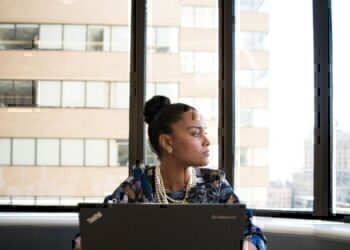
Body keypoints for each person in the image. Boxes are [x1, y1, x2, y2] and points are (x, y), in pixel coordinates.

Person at [104, 95, 267, 250]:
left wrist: (246, 246)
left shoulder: (214, 183)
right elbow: (99, 227)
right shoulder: (138, 184)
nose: (207, 141)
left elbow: (253, 233)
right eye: (196, 133)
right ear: (167, 142)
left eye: (205, 133)